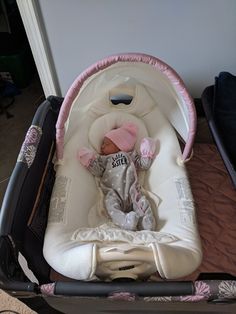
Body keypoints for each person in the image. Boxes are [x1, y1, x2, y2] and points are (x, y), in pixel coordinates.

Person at [78, 122, 156, 231]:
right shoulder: (105, 159)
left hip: (132, 191)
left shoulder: (131, 155)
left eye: (106, 144)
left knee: (142, 202)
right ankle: (125, 222)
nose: (102, 146)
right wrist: (89, 160)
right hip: (112, 192)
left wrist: (147, 152)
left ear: (118, 144)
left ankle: (146, 222)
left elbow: (144, 165)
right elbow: (97, 171)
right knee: (110, 206)